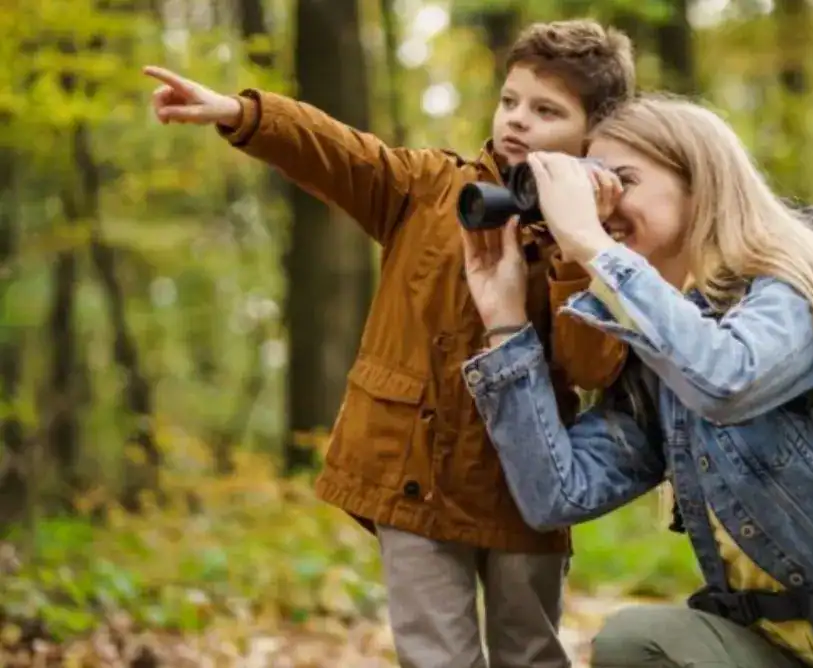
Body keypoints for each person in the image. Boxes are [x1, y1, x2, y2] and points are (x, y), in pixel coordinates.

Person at [143, 20, 634, 668]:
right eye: (510, 100)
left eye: (546, 111)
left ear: (591, 133)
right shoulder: (431, 189)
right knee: (434, 656)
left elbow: (592, 363)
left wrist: (580, 243)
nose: (517, 120)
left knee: (530, 651)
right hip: (413, 474)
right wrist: (240, 112)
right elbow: (339, 151)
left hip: (524, 488)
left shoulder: (601, 242)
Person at [459, 93, 813, 668]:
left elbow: (728, 380)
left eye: (622, 180)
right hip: (784, 649)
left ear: (702, 184)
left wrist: (591, 246)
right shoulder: (663, 357)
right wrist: (505, 325)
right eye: (593, 186)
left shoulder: (801, 282)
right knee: (634, 643)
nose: (604, 203)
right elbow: (558, 493)